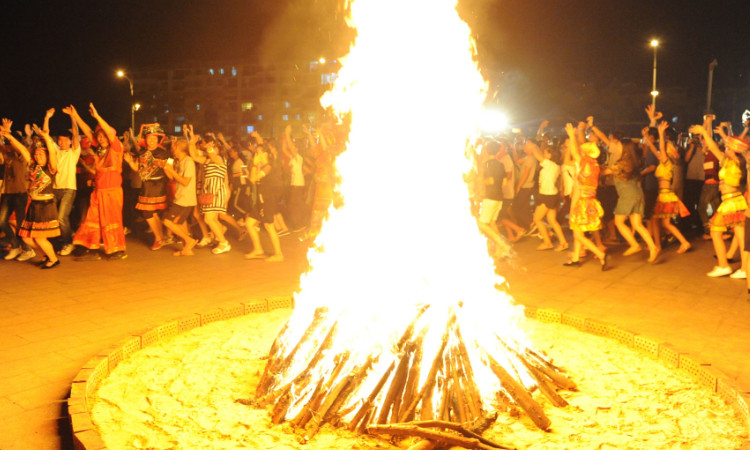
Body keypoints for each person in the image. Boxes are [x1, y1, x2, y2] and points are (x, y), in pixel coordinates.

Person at [0, 120, 60, 268]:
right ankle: (47, 255)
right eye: (37, 153)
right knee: (26, 238)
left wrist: (46, 137)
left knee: (39, 238)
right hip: (34, 206)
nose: (39, 156)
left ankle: (54, 259)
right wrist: (9, 136)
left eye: (42, 154)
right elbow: (22, 150)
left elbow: (52, 152)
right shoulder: (32, 165)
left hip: (46, 206)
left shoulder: (50, 168)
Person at [70, 103, 127, 260]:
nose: (101, 138)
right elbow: (88, 131)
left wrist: (97, 116)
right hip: (98, 190)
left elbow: (109, 133)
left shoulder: (116, 147)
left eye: (103, 136)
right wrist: (75, 116)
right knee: (92, 218)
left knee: (111, 220)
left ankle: (116, 249)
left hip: (112, 191)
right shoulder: (100, 150)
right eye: (99, 136)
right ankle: (87, 245)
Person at [691, 123, 747, 277]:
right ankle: (725, 266)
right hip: (728, 202)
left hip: (735, 202)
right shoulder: (726, 161)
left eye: (729, 147)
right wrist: (704, 131)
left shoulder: (739, 163)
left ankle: (742, 268)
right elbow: (714, 148)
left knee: (738, 236)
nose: (725, 149)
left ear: (735, 150)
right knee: (718, 231)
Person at [563, 123, 607, 269]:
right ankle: (575, 258)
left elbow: (575, 153)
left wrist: (571, 135)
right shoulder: (595, 165)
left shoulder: (585, 163)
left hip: (582, 203)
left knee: (579, 235)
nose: (580, 152)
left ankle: (599, 253)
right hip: (590, 202)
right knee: (579, 230)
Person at [606, 140, 659, 262]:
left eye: (619, 145)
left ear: (625, 148)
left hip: (628, 195)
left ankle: (634, 244)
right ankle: (653, 247)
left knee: (618, 222)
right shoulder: (636, 161)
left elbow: (606, 171)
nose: (617, 147)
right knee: (637, 224)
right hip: (638, 194)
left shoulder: (623, 163)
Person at [644, 122, 691, 255]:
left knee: (658, 221)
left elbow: (661, 150)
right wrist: (647, 138)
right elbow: (655, 150)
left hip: (664, 195)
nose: (661, 151)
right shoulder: (664, 162)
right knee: (663, 223)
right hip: (664, 195)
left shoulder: (666, 162)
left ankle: (659, 246)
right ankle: (683, 242)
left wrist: (660, 134)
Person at [185, 126, 232, 255]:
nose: (210, 149)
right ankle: (221, 232)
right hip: (209, 192)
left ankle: (224, 243)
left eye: (214, 147)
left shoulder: (220, 159)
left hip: (217, 192)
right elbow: (194, 156)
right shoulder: (207, 161)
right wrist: (191, 142)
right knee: (211, 219)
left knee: (209, 219)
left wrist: (209, 147)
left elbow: (213, 155)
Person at [123, 123, 168, 250]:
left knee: (147, 213)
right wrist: (130, 161)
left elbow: (166, 168)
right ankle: (161, 237)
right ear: (146, 139)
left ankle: (159, 238)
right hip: (146, 186)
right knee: (151, 213)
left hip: (156, 185)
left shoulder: (162, 153)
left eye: (154, 138)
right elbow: (139, 169)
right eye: (149, 137)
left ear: (158, 139)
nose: (152, 140)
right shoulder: (143, 153)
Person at [44, 107, 81, 257]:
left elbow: (76, 134)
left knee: (61, 217)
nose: (62, 142)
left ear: (70, 141)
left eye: (65, 140)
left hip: (69, 189)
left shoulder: (73, 152)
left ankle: (68, 242)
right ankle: (63, 238)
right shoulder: (56, 152)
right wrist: (47, 117)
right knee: (54, 218)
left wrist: (73, 117)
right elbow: (46, 134)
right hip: (55, 189)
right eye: (60, 140)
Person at [244, 139, 284, 262]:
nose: (257, 155)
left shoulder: (268, 167)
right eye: (256, 153)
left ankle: (279, 254)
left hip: (268, 200)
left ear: (266, 154)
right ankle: (258, 250)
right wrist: (254, 165)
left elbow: (252, 179)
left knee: (269, 226)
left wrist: (255, 165)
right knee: (249, 223)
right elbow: (251, 179)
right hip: (260, 200)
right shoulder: (261, 166)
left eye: (260, 153)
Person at [526, 140, 567, 251]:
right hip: (551, 195)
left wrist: (533, 146)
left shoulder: (550, 165)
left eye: (546, 153)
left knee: (537, 219)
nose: (544, 154)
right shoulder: (555, 166)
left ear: (551, 155)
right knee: (552, 220)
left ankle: (547, 242)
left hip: (547, 195)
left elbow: (538, 156)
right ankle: (563, 242)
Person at [0, 124, 33, 262]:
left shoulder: (21, 156)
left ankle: (28, 249)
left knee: (21, 225)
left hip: (20, 194)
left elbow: (22, 149)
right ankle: (15, 245)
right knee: (1, 221)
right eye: (6, 143)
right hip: (8, 194)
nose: (8, 146)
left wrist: (8, 135)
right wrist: (3, 134)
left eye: (10, 143)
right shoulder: (6, 156)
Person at [162, 139, 198, 256]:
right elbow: (173, 178)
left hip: (185, 199)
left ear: (179, 148)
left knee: (167, 221)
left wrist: (172, 170)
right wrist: (166, 168)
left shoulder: (188, 162)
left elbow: (185, 182)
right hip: (180, 197)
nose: (172, 149)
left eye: (174, 147)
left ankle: (189, 240)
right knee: (180, 224)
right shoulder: (178, 161)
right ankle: (187, 249)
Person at [475, 140, 509, 258]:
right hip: (499, 197)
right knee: (492, 223)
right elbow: (504, 182)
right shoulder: (500, 164)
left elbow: (490, 181)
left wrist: (479, 181)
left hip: (490, 197)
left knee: (482, 224)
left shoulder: (487, 164)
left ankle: (501, 243)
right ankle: (500, 251)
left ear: (486, 150)